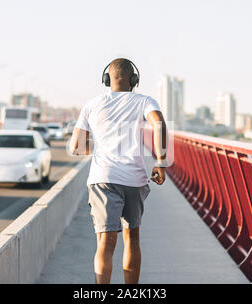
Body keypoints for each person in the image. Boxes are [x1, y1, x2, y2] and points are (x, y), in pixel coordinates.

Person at [69, 58, 168, 284]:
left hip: (103, 178)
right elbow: (159, 124)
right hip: (135, 179)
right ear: (135, 80)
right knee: (132, 237)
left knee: (105, 241)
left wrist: (101, 147)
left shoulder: (92, 105)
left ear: (107, 80)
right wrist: (160, 162)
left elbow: (77, 146)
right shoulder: (144, 101)